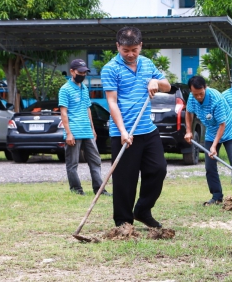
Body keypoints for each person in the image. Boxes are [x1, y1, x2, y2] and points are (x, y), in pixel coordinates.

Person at [101, 26, 171, 227]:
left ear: (141, 46)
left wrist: (154, 81)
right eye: (125, 50)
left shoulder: (148, 64)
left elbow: (167, 86)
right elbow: (112, 102)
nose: (130, 54)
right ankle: (123, 222)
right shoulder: (110, 69)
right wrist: (123, 131)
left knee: (158, 169)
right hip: (123, 132)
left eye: (134, 49)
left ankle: (142, 209)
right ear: (118, 46)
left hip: (147, 130)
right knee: (125, 180)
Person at [184, 76, 232, 205]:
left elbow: (222, 125)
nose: (198, 97)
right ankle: (217, 196)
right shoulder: (192, 97)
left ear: (205, 88)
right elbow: (188, 112)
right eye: (195, 94)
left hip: (229, 130)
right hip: (211, 132)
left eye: (201, 93)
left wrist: (214, 146)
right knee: (209, 165)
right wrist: (189, 131)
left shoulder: (216, 98)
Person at [59, 59, 110, 196]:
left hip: (87, 131)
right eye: (80, 72)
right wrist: (68, 133)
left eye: (84, 72)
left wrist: (93, 129)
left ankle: (99, 189)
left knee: (96, 161)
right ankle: (77, 190)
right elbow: (63, 112)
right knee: (73, 164)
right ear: (72, 72)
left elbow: (88, 109)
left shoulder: (85, 88)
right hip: (74, 132)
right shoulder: (65, 89)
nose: (83, 74)